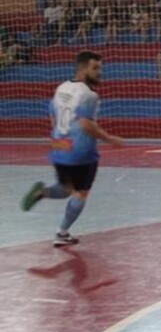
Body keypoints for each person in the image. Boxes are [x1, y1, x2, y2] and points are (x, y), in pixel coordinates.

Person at [21, 51, 125, 247]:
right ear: (83, 68)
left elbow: (52, 113)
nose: (99, 72)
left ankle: (41, 192)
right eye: (95, 68)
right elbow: (86, 125)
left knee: (66, 188)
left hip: (59, 146)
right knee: (81, 193)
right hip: (81, 152)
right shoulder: (89, 95)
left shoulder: (62, 87)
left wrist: (59, 136)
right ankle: (62, 233)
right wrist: (110, 139)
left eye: (100, 68)